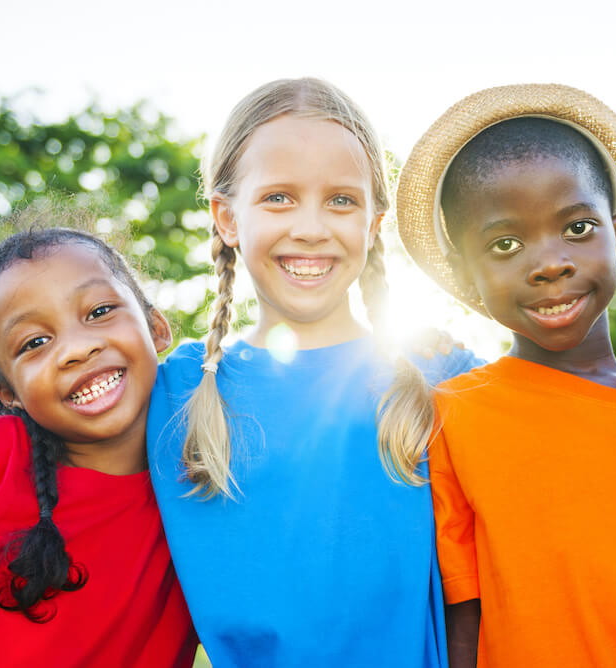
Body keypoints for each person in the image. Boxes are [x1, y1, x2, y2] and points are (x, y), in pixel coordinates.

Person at [395, 83, 616, 667]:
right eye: (505, 243)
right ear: (466, 274)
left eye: (578, 229)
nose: (550, 263)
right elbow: (465, 614)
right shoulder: (453, 417)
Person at [146, 78, 478, 668]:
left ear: (374, 223)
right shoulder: (174, 390)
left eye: (341, 201)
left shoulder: (439, 381)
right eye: (278, 197)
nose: (310, 227)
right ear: (226, 218)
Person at [0, 210, 197, 666]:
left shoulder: (199, 493)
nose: (77, 349)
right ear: (8, 392)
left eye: (98, 312)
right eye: (34, 342)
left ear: (157, 328)